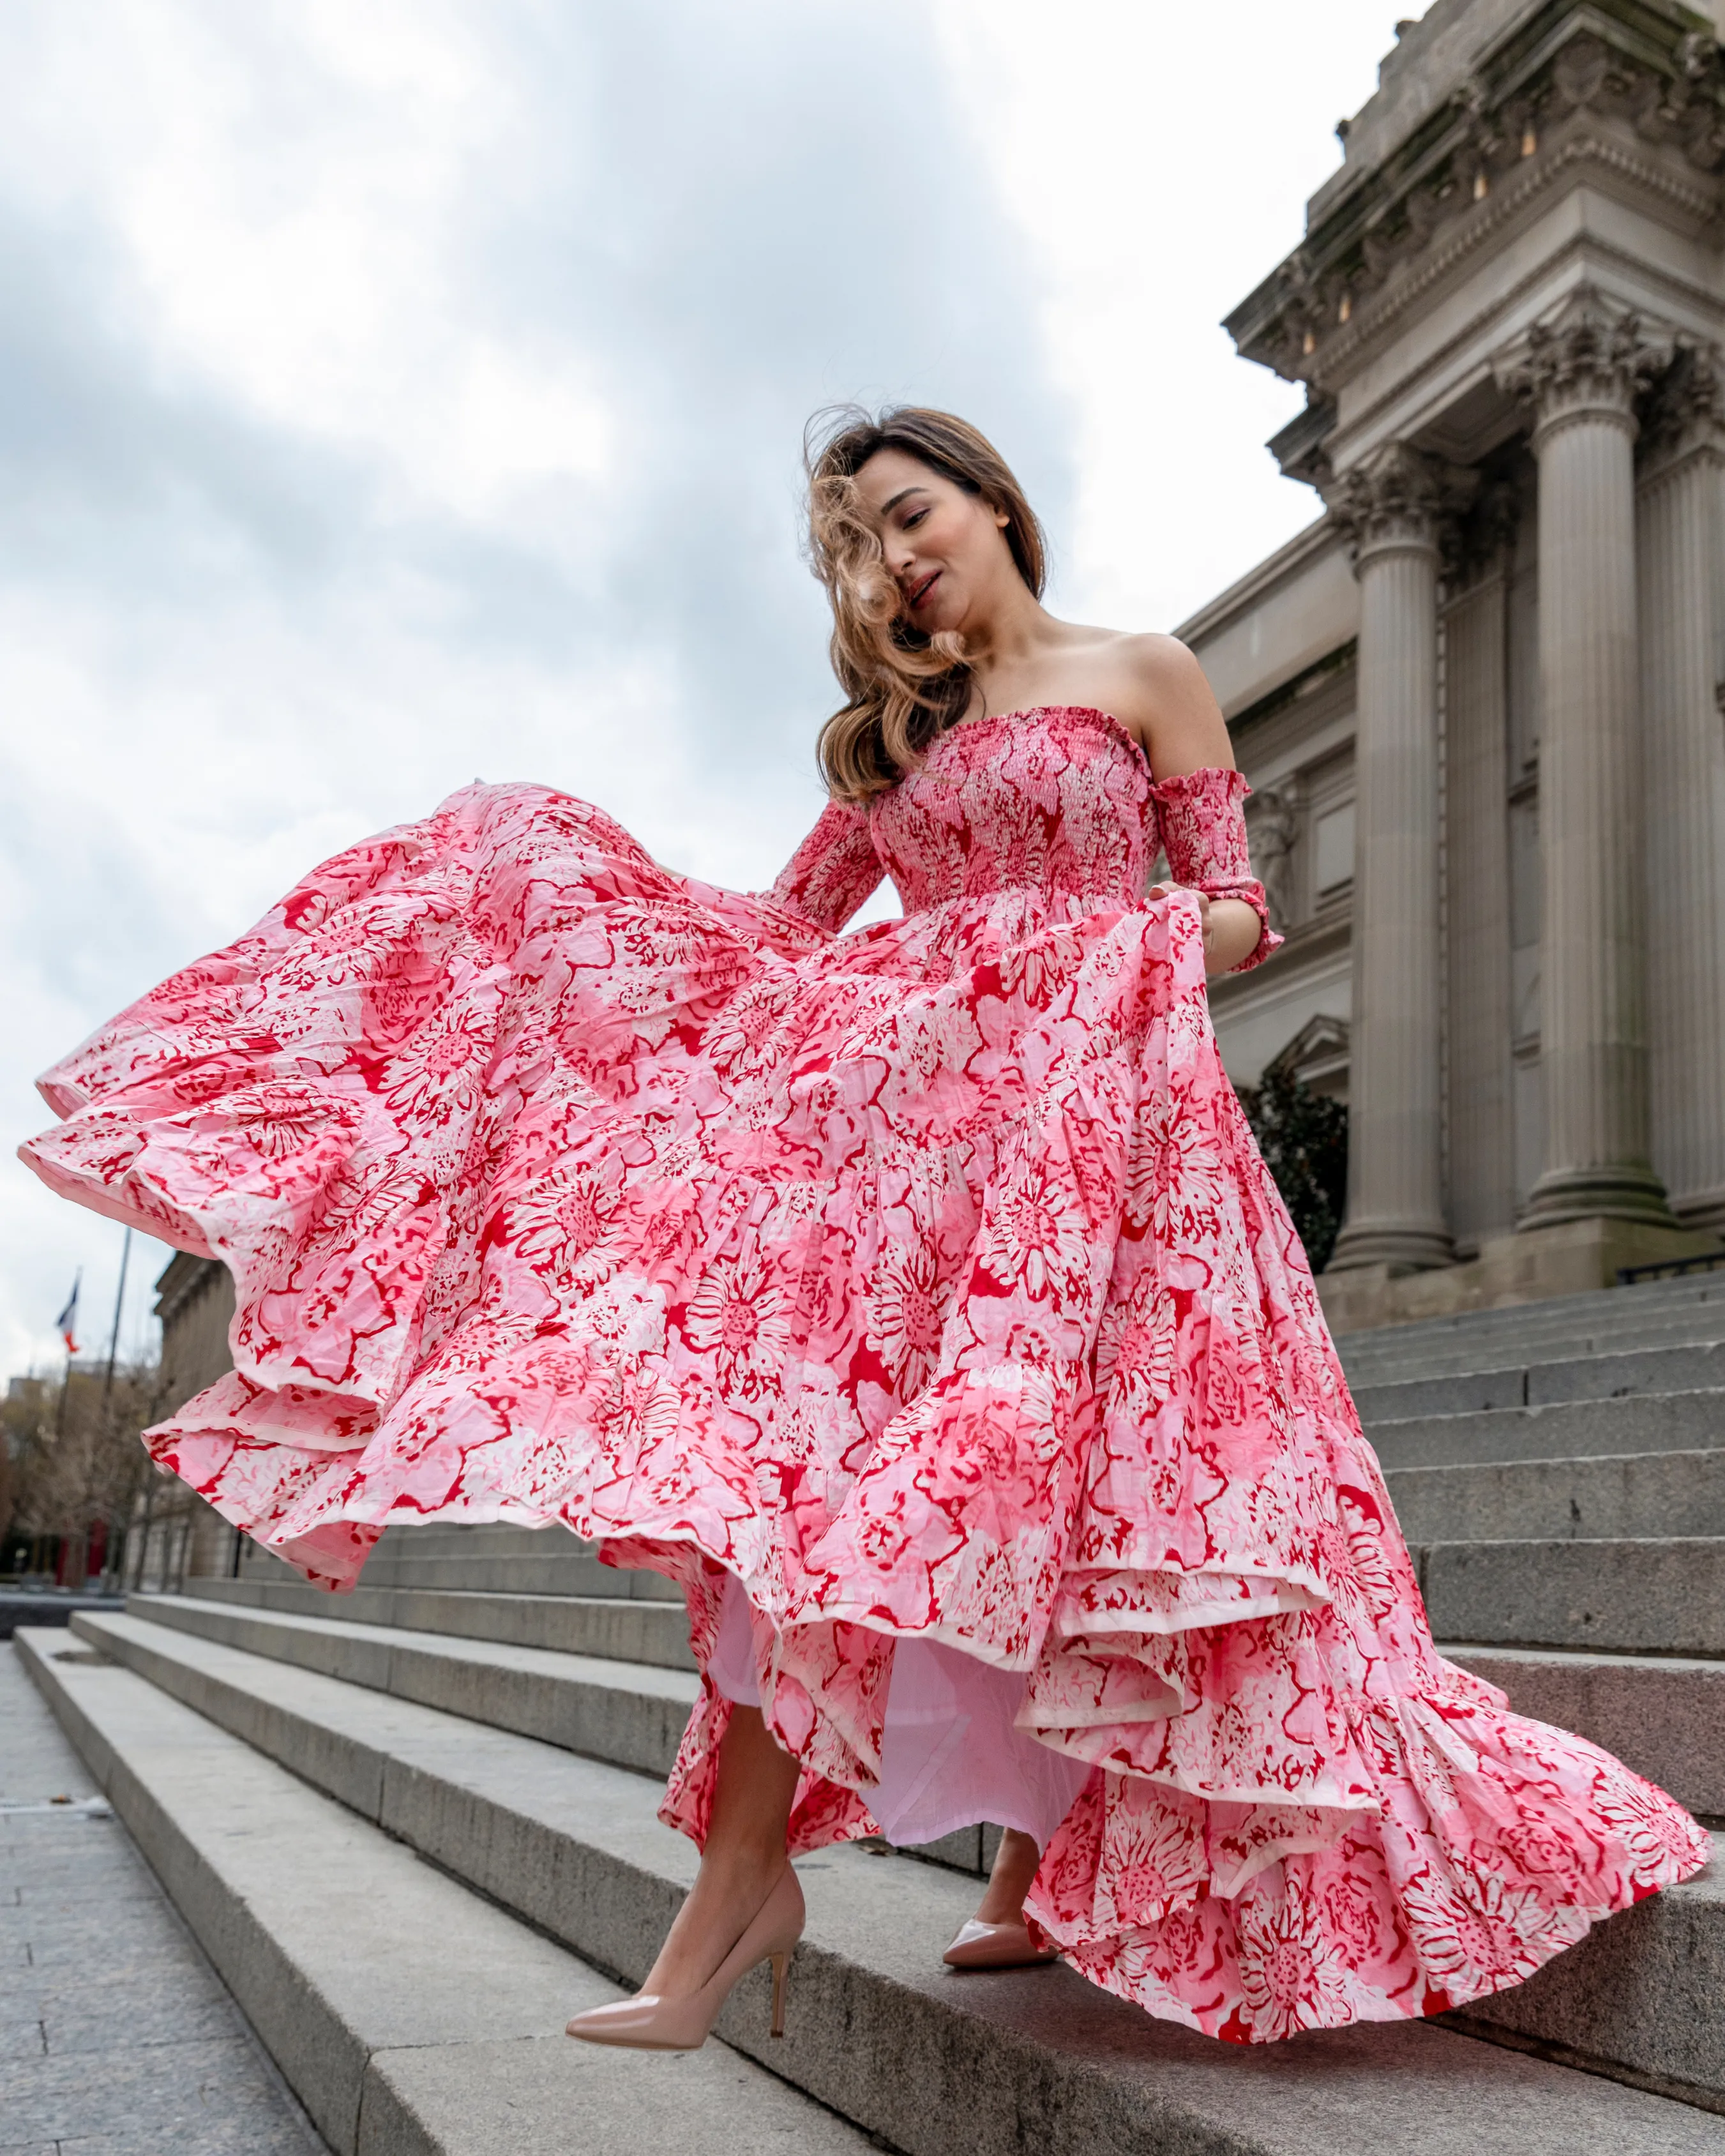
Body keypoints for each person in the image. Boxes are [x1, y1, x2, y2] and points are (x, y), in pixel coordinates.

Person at [20, 407, 1707, 2053]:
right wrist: (558, 912)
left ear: (990, 500)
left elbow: (1239, 917)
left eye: (911, 516)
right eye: (860, 549)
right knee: (808, 1507)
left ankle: (1041, 1870)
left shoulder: (1142, 675)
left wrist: (1071, 949)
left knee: (1095, 1509)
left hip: (1112, 1165)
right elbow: (779, 939)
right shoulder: (890, 739)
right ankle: (741, 1885)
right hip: (916, 1167)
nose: (894, 565)